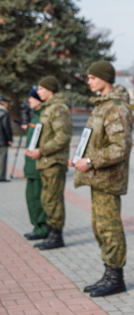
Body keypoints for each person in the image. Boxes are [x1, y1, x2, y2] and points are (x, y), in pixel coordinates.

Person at [70, 61, 133, 297]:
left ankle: (116, 278)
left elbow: (119, 148)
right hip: (98, 178)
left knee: (110, 228)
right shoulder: (102, 105)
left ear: (105, 79)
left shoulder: (116, 107)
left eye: (93, 77)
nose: (89, 81)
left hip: (108, 178)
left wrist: (91, 161)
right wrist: (81, 157)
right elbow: (96, 141)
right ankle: (108, 273)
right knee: (100, 227)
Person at [25, 76, 73, 251]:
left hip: (54, 162)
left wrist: (42, 150)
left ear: (50, 90)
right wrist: (34, 149)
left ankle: (56, 236)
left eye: (41, 89)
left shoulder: (59, 109)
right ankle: (50, 233)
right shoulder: (48, 108)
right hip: (45, 162)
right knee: (46, 199)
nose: (38, 92)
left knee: (54, 200)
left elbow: (62, 137)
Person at [22, 87, 48, 240]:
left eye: (31, 98)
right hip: (31, 165)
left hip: (38, 166)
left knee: (38, 198)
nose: (29, 100)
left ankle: (43, 228)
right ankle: (37, 226)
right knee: (31, 197)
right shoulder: (35, 116)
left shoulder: (43, 117)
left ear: (38, 100)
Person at [0, 96, 12, 182]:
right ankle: (1, 176)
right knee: (2, 158)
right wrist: (9, 139)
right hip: (2, 139)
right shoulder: (4, 113)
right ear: (3, 103)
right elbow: (6, 128)